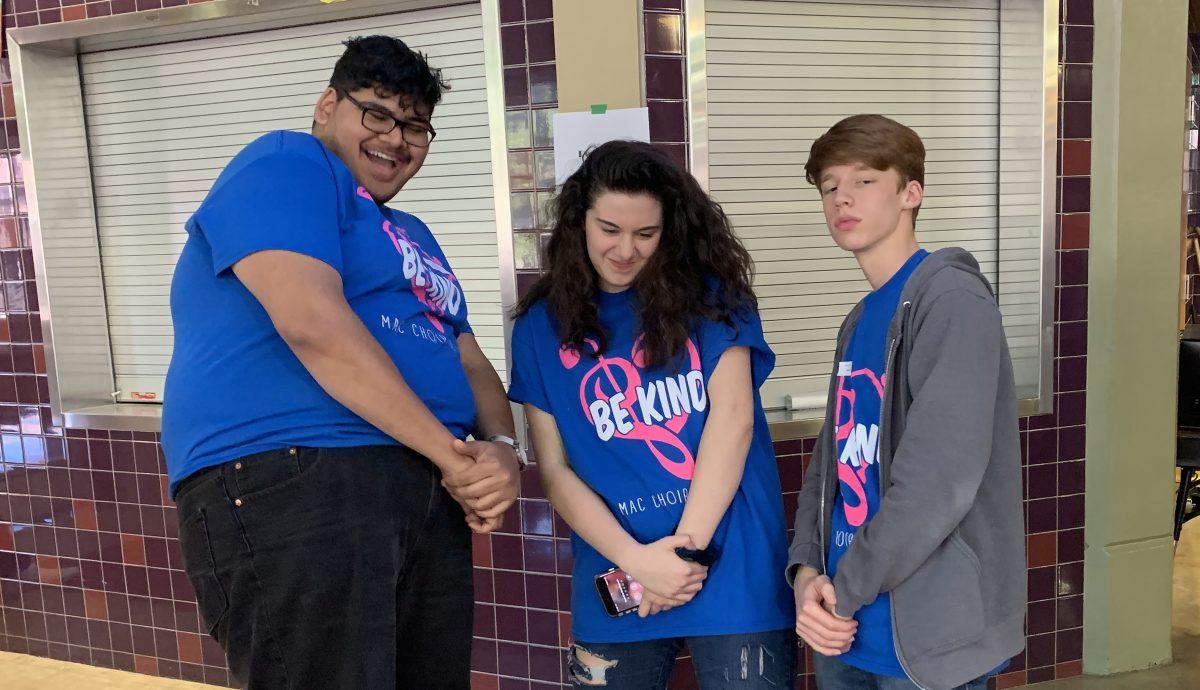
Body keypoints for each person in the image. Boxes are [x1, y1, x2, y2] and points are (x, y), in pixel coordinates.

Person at [162, 36, 522, 689]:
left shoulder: (411, 233)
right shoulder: (288, 161)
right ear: (328, 105)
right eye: (377, 113)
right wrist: (452, 455)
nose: (397, 138)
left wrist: (499, 450)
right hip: (299, 471)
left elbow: (466, 358)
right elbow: (311, 322)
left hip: (418, 485)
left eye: (415, 126)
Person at [507, 140, 796, 688]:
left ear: (672, 231)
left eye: (646, 234)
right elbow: (555, 469)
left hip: (733, 560)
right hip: (619, 572)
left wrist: (684, 554)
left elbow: (733, 422)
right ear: (578, 223)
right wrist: (641, 563)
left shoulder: (715, 299)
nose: (625, 250)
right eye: (609, 229)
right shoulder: (538, 328)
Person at [786, 114, 1025, 690]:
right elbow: (833, 463)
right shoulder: (863, 319)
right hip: (844, 624)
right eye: (829, 186)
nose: (842, 197)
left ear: (910, 193)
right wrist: (806, 572)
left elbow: (937, 483)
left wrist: (842, 590)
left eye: (865, 180)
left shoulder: (953, 301)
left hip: (923, 636)